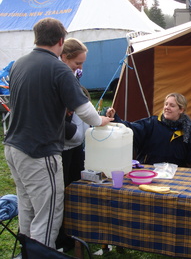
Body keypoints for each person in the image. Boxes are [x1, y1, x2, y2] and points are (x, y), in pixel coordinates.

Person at [4, 18, 113, 249]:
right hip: (39, 153)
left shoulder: (18, 64)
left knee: (27, 206)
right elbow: (89, 115)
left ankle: (27, 251)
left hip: (13, 147)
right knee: (49, 213)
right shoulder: (59, 68)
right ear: (61, 41)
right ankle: (42, 254)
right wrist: (102, 119)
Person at [106, 92, 191, 166]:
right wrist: (115, 118)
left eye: (172, 106)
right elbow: (131, 129)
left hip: (175, 174)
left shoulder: (186, 129)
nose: (167, 107)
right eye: (166, 104)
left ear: (181, 110)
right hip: (150, 171)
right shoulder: (151, 123)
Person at [60, 38, 90, 187]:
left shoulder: (73, 76)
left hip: (76, 143)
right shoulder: (59, 76)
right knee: (64, 183)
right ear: (64, 57)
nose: (80, 67)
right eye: (77, 63)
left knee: (77, 180)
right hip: (64, 143)